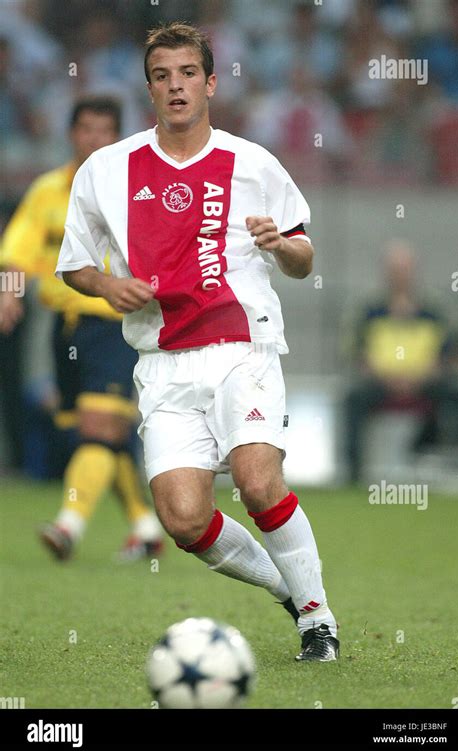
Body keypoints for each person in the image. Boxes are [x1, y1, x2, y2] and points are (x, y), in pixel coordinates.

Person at [56, 23, 338, 662]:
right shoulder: (105, 170)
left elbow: (304, 257)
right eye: (162, 76)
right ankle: (292, 592)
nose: (176, 86)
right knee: (182, 519)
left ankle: (318, 621)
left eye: (188, 73)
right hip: (162, 360)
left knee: (257, 480)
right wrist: (106, 284)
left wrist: (282, 245)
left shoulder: (254, 162)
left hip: (244, 345)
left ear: (210, 82)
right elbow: (74, 263)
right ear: (149, 88)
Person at [0, 95, 164, 561]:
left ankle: (67, 526)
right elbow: (17, 250)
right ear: (71, 134)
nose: (94, 139)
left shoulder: (135, 189)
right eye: (86, 129)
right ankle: (146, 526)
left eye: (104, 131)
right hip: (65, 328)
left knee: (97, 429)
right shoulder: (47, 191)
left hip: (115, 325)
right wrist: (9, 290)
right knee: (102, 436)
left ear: (118, 137)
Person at [344, 239, 458, 482]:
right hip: (381, 382)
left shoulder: (433, 310)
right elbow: (358, 353)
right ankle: (353, 474)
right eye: (395, 270)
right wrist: (388, 378)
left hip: (425, 381)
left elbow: (446, 354)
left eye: (404, 270)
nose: (400, 276)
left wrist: (420, 377)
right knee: (353, 397)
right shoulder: (369, 310)